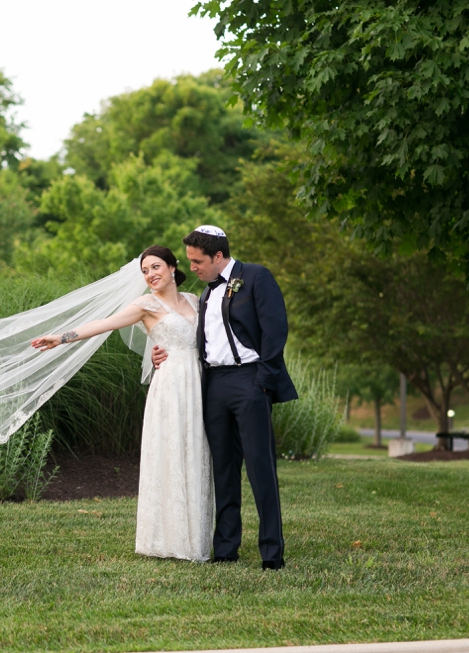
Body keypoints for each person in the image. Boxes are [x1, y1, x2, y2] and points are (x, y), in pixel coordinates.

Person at [32, 245, 213, 561]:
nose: (150, 275)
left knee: (196, 452)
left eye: (155, 267)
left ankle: (197, 537)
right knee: (172, 452)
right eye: (145, 271)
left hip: (199, 383)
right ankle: (168, 540)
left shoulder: (195, 302)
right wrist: (61, 337)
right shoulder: (145, 305)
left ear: (173, 267)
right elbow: (104, 323)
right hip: (171, 385)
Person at [153, 226, 297, 571]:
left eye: (197, 261)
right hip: (214, 385)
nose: (193, 268)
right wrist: (162, 353)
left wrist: (262, 379)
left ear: (218, 256)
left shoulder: (256, 277)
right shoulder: (204, 293)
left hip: (250, 381)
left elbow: (276, 330)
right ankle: (226, 548)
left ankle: (271, 553)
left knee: (261, 468)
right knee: (223, 469)